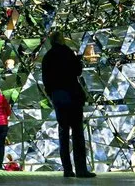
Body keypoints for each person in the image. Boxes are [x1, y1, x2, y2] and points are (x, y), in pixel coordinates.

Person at [41, 30, 96, 178]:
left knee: (63, 132)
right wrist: (77, 59)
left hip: (58, 97)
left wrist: (52, 94)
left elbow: (45, 79)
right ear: (61, 40)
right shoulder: (67, 53)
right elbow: (78, 71)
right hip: (72, 94)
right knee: (77, 132)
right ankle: (81, 169)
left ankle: (67, 169)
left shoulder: (47, 57)